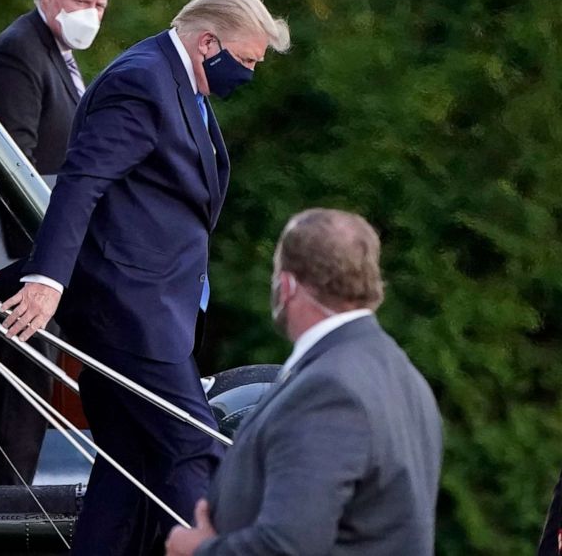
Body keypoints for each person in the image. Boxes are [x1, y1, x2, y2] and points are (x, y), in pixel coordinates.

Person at [2, 0, 290, 554]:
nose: (251, 74)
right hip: (131, 312)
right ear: (209, 43)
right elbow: (81, 181)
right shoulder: (144, 81)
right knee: (193, 451)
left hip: (155, 309)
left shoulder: (178, 80)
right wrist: (46, 279)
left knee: (125, 471)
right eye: (249, 61)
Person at [165, 208, 444, 556]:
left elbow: (288, 546)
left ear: (288, 285)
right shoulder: (405, 378)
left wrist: (199, 549)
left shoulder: (330, 389)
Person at [0, 0, 119, 486]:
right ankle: (3, 528)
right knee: (16, 412)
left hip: (39, 262)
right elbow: (8, 169)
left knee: (29, 409)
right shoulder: (19, 54)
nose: (92, 14)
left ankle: (9, 515)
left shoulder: (55, 53)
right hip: (17, 267)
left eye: (101, 4)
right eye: (81, 1)